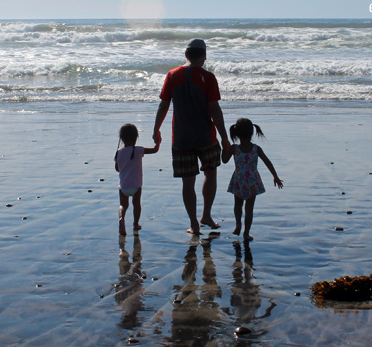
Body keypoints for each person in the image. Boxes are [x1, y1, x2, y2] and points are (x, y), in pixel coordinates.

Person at [153, 39, 230, 235]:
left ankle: (194, 223)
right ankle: (206, 215)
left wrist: (156, 129)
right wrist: (224, 137)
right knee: (210, 174)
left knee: (188, 182)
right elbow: (214, 109)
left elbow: (163, 104)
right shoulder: (208, 77)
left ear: (186, 55)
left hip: (181, 138)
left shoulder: (172, 75)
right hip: (206, 137)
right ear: (204, 56)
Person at [223, 118, 283, 241]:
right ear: (252, 133)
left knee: (237, 205)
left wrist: (224, 147)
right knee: (249, 209)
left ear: (236, 134)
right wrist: (275, 176)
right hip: (252, 182)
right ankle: (246, 233)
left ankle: (238, 224)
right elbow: (267, 162)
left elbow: (224, 160)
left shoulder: (234, 148)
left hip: (239, 181)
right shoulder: (256, 148)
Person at [115, 123, 159, 235]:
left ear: (122, 139)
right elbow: (155, 150)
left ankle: (121, 218)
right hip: (136, 185)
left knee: (123, 205)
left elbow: (117, 169)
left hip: (124, 185)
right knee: (136, 204)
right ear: (136, 138)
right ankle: (135, 224)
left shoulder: (119, 152)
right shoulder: (139, 150)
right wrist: (158, 141)